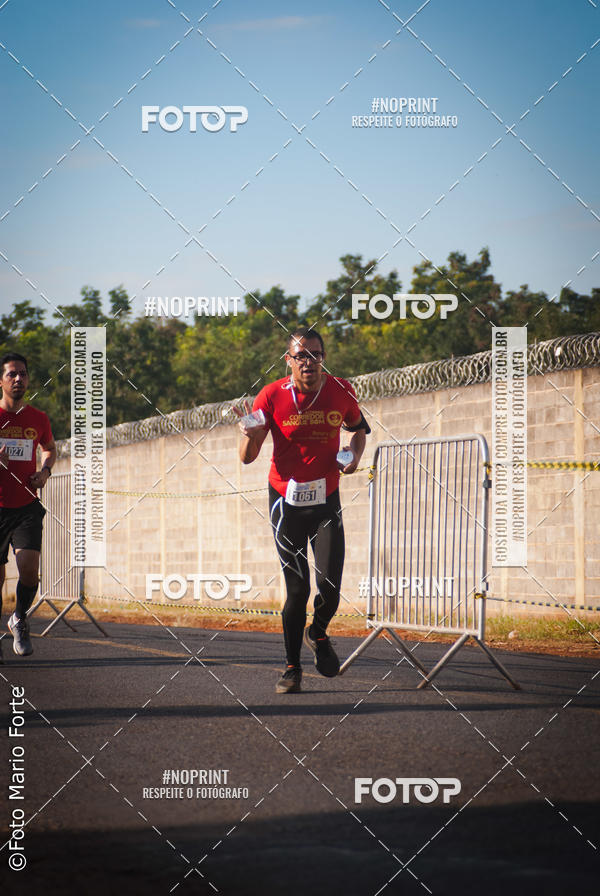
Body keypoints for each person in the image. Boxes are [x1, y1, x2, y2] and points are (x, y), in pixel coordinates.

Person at [235, 328, 370, 693]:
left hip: (326, 498)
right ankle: (292, 668)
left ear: (323, 358)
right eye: (301, 356)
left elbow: (358, 430)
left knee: (330, 584)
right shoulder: (271, 396)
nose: (309, 362)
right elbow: (247, 459)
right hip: (285, 502)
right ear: (289, 360)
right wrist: (249, 433)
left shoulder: (341, 390)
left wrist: (354, 457)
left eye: (315, 355)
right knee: (297, 589)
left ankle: (319, 632)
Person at [0, 353, 55, 660]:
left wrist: (44, 472)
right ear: (1, 381)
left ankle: (19, 618)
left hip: (25, 506)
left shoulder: (39, 418)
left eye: (23, 374)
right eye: (12, 374)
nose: (18, 379)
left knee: (29, 571)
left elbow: (49, 448)